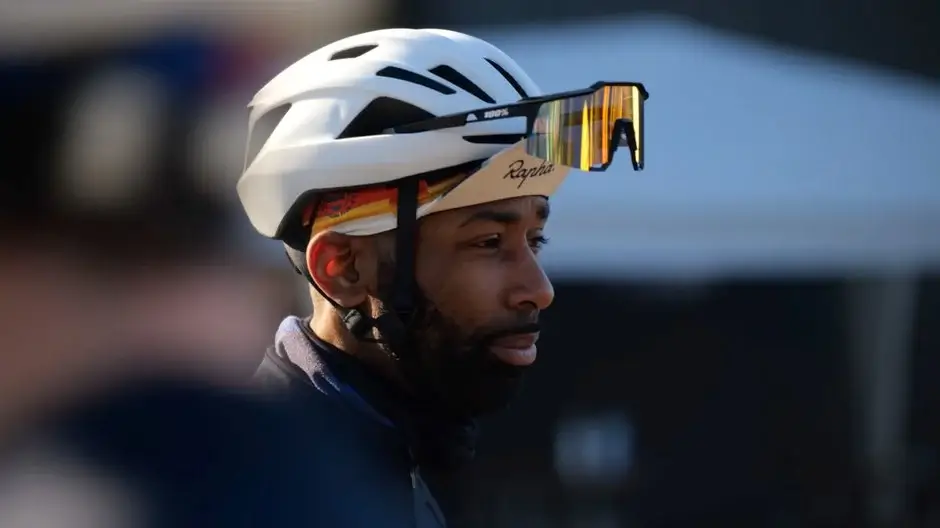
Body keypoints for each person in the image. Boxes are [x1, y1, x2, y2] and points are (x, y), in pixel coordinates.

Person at [238, 27, 649, 526]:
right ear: (343, 268)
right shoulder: (259, 491)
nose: (539, 289)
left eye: (535, 240)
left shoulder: (391, 449)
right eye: (488, 243)